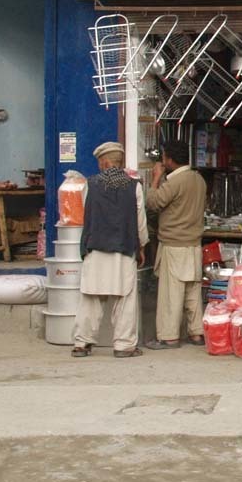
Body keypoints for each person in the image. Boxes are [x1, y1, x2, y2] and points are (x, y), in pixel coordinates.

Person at [73, 141, 148, 358]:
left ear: (104, 163)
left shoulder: (90, 185)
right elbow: (140, 222)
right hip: (123, 251)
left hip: (95, 249)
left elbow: (86, 216)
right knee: (125, 300)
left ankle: (82, 343)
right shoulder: (135, 186)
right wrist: (142, 246)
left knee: (90, 298)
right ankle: (124, 346)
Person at [144, 139, 209, 350]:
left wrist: (155, 179)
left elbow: (153, 203)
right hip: (193, 244)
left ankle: (169, 336)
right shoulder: (198, 179)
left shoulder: (175, 182)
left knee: (171, 294)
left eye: (163, 158)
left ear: (169, 160)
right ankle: (197, 332)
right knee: (192, 292)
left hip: (175, 245)